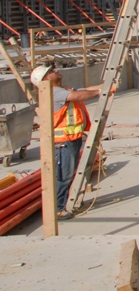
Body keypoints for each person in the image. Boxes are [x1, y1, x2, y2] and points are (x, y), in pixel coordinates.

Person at [30, 64, 112, 219]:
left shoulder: (64, 89)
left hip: (71, 139)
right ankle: (58, 209)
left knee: (67, 174)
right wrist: (101, 92)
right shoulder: (54, 93)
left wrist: (107, 85)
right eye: (52, 71)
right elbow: (78, 96)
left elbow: (83, 89)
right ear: (46, 78)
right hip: (63, 143)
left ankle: (61, 205)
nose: (56, 71)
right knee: (63, 176)